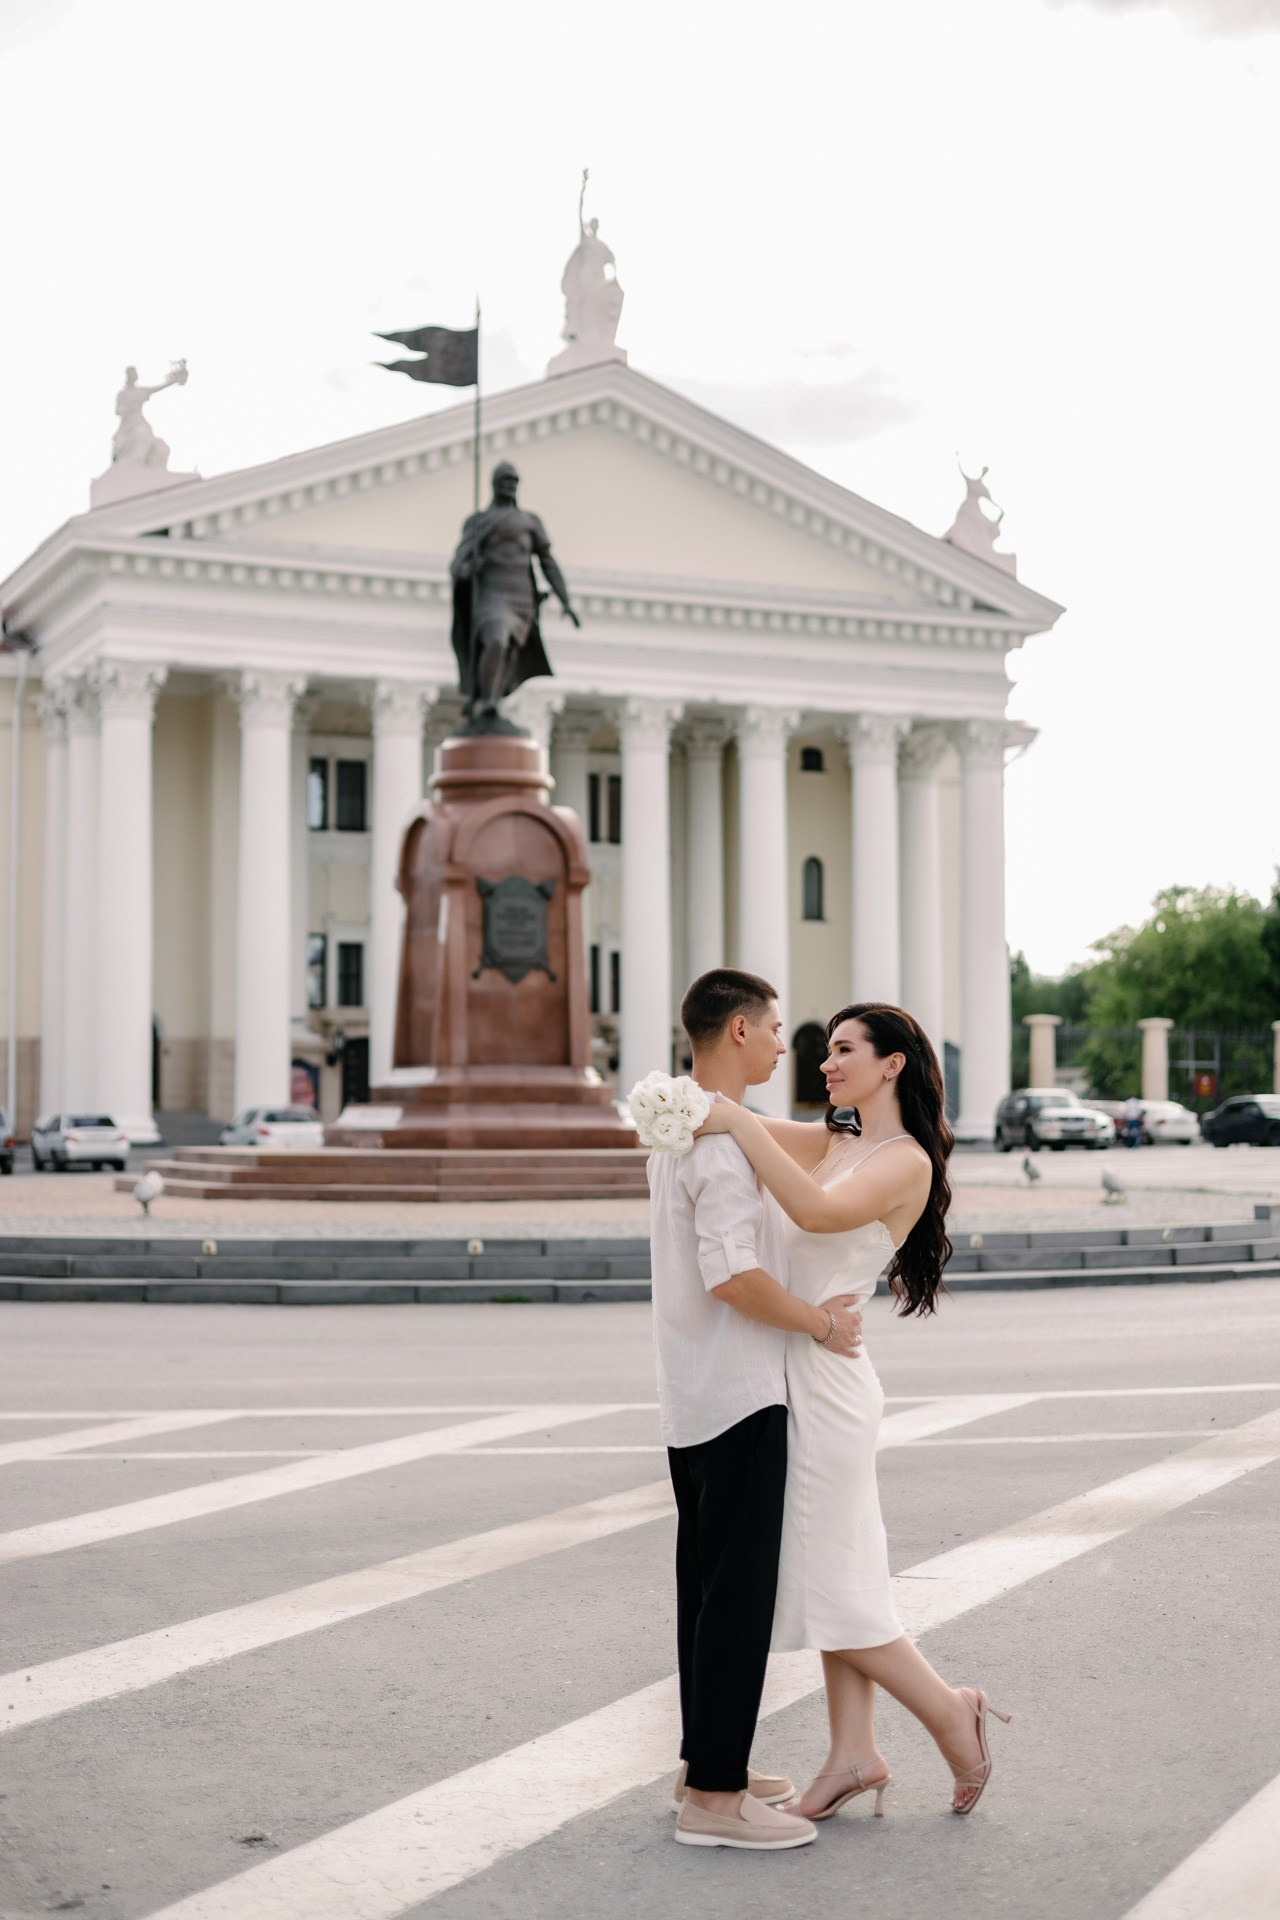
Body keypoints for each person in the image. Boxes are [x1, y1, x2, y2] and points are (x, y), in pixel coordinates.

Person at [697, 1001, 1012, 1818]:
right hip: (796, 1364)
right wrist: (692, 1104)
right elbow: (753, 1134)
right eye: (826, 1050)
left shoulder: (904, 1160)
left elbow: (812, 1210)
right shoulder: (840, 1139)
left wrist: (733, 1117)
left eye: (844, 1050)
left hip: (829, 1380)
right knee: (841, 1573)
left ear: (892, 1063)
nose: (827, 1062)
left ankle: (952, 1715)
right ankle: (852, 1753)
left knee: (836, 1582)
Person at [648, 969, 865, 1852]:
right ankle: (715, 1801)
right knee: (735, 1602)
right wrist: (820, 1324)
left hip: (690, 1393)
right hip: (740, 1394)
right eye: (775, 1028)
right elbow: (732, 1275)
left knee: (703, 1594)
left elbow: (801, 1140)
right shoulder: (719, 1144)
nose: (789, 1043)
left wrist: (860, 1116)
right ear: (739, 1031)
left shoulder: (683, 1122)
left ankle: (708, 1764)